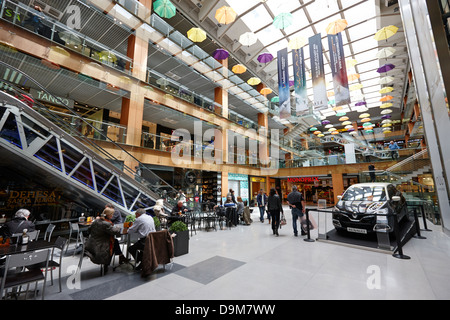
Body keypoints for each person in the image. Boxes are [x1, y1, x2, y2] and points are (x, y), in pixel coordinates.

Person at [85, 207, 129, 274]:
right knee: (113, 245)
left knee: (115, 242)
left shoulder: (96, 221)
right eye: (112, 214)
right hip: (100, 246)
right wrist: (118, 227)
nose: (112, 216)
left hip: (91, 244)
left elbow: (89, 230)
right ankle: (107, 265)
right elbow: (115, 232)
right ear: (108, 215)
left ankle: (121, 257)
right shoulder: (106, 224)